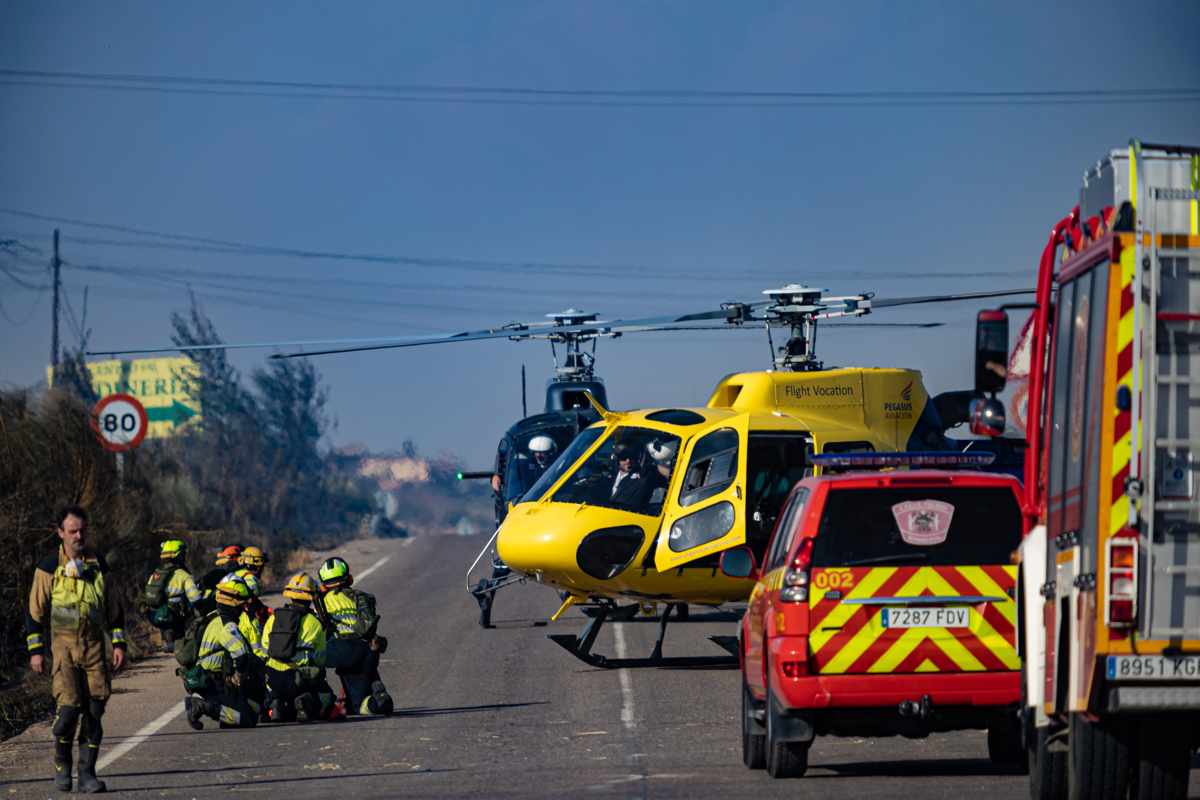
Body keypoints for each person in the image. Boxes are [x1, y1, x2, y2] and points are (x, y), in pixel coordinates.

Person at [26, 505, 126, 793]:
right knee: (68, 711)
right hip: (64, 650)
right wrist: (35, 651)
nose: (78, 536)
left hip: (95, 649)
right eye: (72, 531)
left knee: (94, 711)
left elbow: (114, 610)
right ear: (60, 533)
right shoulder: (47, 567)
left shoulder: (99, 566)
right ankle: (62, 764)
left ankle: (87, 774)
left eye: (82, 530)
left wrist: (118, 644)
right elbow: (34, 613)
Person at [316, 558, 393, 716]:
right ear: (349, 579)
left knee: (360, 708)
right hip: (367, 651)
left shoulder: (322, 603)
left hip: (342, 653)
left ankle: (370, 703)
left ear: (324, 583)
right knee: (358, 686)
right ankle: (374, 688)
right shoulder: (362, 598)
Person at [183, 574, 261, 730]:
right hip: (213, 681)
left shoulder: (214, 617)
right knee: (248, 718)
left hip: (208, 678)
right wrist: (238, 678)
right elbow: (241, 656)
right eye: (241, 604)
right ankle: (202, 705)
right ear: (232, 603)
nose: (244, 608)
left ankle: (221, 709)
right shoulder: (227, 625)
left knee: (247, 710)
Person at [261, 573, 338, 722]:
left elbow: (265, 647)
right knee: (325, 696)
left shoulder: (273, 617)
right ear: (311, 597)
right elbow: (321, 658)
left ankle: (276, 703)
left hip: (273, 678)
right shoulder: (314, 623)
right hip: (299, 679)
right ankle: (304, 702)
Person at [145, 539, 202, 652]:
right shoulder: (183, 575)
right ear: (180, 555)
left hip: (155, 616)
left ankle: (169, 641)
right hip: (175, 617)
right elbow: (195, 598)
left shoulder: (155, 574)